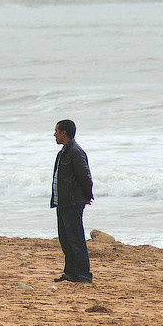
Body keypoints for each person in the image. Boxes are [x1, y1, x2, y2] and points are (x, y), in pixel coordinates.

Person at [50, 119, 94, 283]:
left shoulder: (76, 152)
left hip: (73, 202)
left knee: (75, 238)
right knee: (65, 239)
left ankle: (83, 274)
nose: (54, 134)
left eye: (56, 131)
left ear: (64, 133)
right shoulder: (64, 152)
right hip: (62, 201)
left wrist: (87, 195)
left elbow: (85, 176)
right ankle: (70, 272)